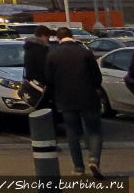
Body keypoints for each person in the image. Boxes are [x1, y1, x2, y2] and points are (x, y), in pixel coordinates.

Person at [46, 27, 104, 178]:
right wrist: (94, 87)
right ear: (71, 36)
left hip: (65, 99)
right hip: (88, 97)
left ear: (58, 39)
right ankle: (94, 159)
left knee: (72, 132)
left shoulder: (53, 55)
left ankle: (78, 167)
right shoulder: (85, 52)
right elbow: (97, 77)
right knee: (94, 130)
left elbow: (49, 80)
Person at [21, 25, 53, 108]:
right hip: (42, 86)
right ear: (43, 36)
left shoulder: (29, 48)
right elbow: (44, 68)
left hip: (34, 84)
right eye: (48, 37)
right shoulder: (40, 49)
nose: (48, 40)